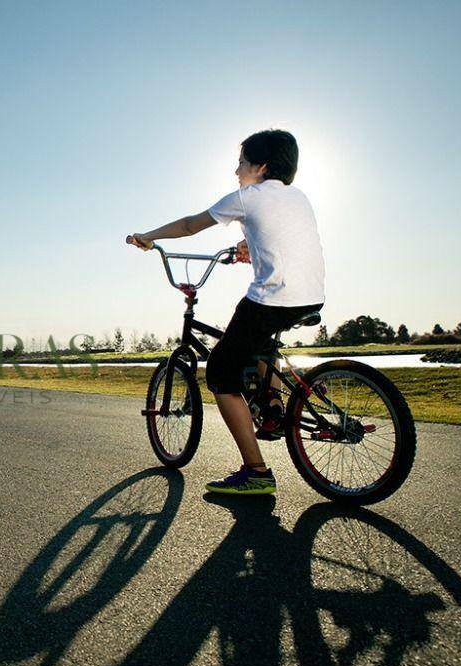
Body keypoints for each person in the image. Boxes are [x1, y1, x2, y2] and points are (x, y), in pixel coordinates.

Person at [128, 129, 325, 495]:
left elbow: (190, 225)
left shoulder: (247, 197)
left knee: (220, 372)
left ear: (261, 167)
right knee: (258, 344)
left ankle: (256, 473)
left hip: (274, 296)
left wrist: (149, 236)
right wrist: (245, 245)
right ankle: (273, 406)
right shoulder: (297, 197)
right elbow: (282, 234)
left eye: (242, 163)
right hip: (311, 295)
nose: (237, 171)